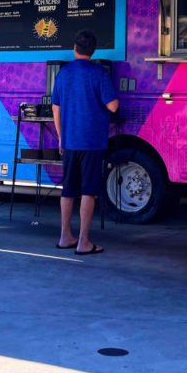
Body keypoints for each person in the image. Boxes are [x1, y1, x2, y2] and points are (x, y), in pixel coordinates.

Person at [51, 30, 119, 255]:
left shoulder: (63, 73)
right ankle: (83, 242)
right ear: (93, 51)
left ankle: (64, 237)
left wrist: (61, 136)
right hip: (92, 142)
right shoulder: (99, 73)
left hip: (69, 141)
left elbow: (56, 109)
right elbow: (113, 107)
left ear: (74, 48)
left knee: (68, 190)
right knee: (88, 191)